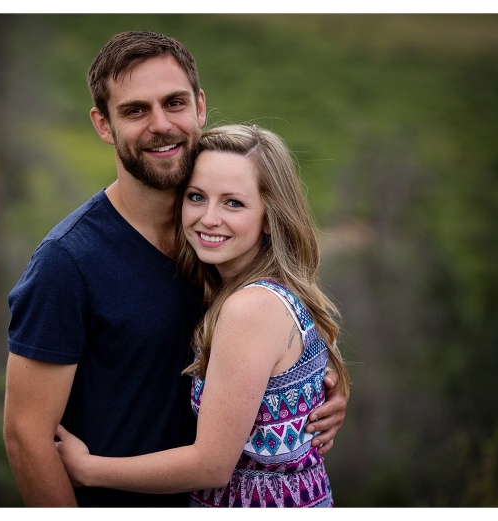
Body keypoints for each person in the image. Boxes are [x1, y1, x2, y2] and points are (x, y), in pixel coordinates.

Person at [3, 31, 348, 508]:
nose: (161, 125)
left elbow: (273, 335)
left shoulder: (218, 245)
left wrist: (317, 393)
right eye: (135, 110)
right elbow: (26, 435)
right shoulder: (67, 263)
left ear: (200, 107)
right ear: (103, 125)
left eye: (175, 103)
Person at [54, 123, 350, 507]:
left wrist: (87, 469)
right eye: (197, 197)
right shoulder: (268, 293)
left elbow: (211, 467)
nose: (209, 218)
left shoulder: (248, 309)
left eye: (233, 203)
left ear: (269, 216)